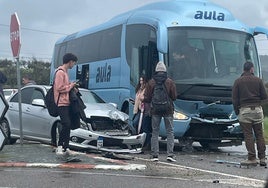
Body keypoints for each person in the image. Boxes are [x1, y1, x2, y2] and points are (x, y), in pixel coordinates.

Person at [232, 61, 267, 166]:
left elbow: (234, 99)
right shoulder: (259, 80)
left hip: (245, 110)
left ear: (243, 70)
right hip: (257, 110)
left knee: (248, 135)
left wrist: (237, 111)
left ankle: (252, 158)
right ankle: (262, 158)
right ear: (252, 69)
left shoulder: (238, 81)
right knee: (259, 134)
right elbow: (265, 96)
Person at [144, 61, 177, 162]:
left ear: (156, 71)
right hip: (168, 110)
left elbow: (147, 97)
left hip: (155, 110)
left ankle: (155, 155)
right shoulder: (169, 82)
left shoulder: (151, 82)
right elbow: (174, 97)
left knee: (155, 132)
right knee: (170, 131)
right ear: (165, 70)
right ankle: (170, 155)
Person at [54, 53, 78, 156]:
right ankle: (59, 146)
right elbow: (59, 88)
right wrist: (71, 85)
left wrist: (73, 88)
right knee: (66, 124)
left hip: (66, 102)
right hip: (61, 103)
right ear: (70, 61)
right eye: (74, 62)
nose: (74, 65)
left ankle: (66, 147)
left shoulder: (65, 73)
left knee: (68, 125)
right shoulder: (60, 73)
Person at [133, 75, 152, 150]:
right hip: (138, 110)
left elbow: (146, 98)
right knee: (135, 123)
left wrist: (142, 98)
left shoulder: (146, 89)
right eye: (140, 81)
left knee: (144, 127)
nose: (141, 82)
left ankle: (146, 142)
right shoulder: (139, 89)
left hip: (144, 110)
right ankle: (139, 140)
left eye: (142, 81)